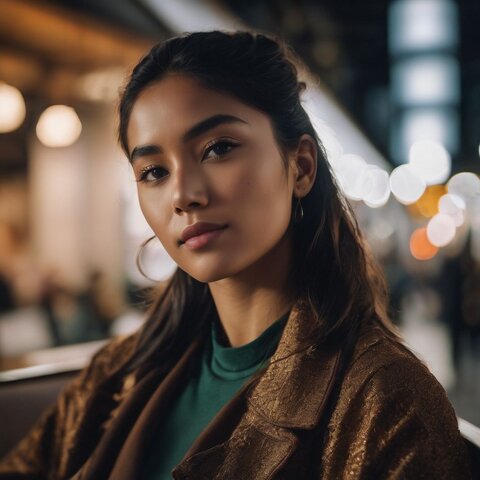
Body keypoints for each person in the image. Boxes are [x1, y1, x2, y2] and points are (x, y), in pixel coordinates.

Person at [0, 30, 472, 479]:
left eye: (217, 148)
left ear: (301, 166)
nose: (183, 194)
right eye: (153, 171)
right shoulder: (118, 374)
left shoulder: (383, 400)